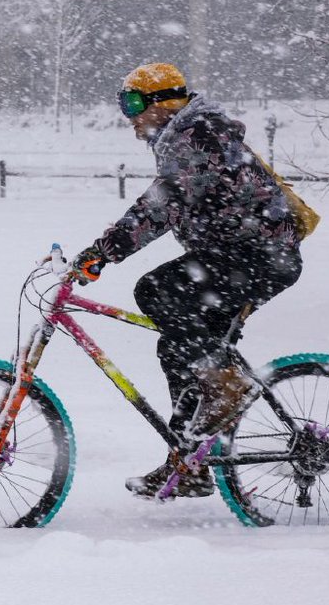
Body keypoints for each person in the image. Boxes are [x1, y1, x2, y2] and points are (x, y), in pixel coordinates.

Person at [71, 63, 303, 500]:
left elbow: (162, 205)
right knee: (179, 349)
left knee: (156, 290)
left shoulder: (197, 135)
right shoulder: (187, 136)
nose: (129, 117)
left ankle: (227, 385)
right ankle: (190, 463)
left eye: (133, 104)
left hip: (260, 257)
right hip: (239, 256)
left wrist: (104, 251)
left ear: (164, 101)